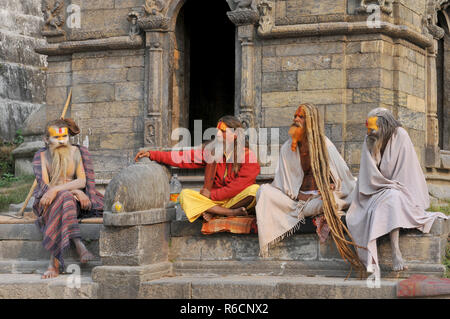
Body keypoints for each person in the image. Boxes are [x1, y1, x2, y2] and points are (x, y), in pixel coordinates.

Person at [255, 103, 363, 271]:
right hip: (296, 201)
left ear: (311, 121)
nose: (296, 119)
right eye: (295, 116)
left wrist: (331, 186)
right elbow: (283, 184)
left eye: (301, 116)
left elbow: (343, 177)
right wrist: (299, 196)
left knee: (332, 201)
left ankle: (318, 208)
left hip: (319, 199)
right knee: (263, 192)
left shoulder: (324, 145)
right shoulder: (287, 147)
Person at [346, 108, 447, 275]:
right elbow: (368, 176)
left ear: (384, 126)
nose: (368, 132)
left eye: (372, 128)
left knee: (393, 197)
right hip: (375, 189)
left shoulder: (400, 135)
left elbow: (404, 176)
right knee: (376, 204)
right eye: (367, 128)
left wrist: (389, 187)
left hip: (403, 191)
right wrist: (374, 150)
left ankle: (396, 251)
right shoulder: (369, 139)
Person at [135, 115, 260, 230]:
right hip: (214, 203)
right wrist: (153, 154)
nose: (217, 134)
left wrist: (211, 195)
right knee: (184, 195)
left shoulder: (249, 156)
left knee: (255, 190)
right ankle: (229, 213)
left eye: (222, 131)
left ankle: (215, 212)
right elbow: (182, 157)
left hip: (234, 200)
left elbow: (240, 185)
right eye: (217, 130)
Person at [32, 118, 103, 279]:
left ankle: (53, 263)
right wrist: (73, 192)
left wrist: (65, 190)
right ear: (46, 139)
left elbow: (82, 180)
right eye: (56, 138)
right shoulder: (41, 156)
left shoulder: (77, 152)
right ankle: (79, 244)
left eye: (64, 136)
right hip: (49, 203)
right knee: (64, 198)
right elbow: (44, 187)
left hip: (74, 202)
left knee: (65, 197)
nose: (62, 141)